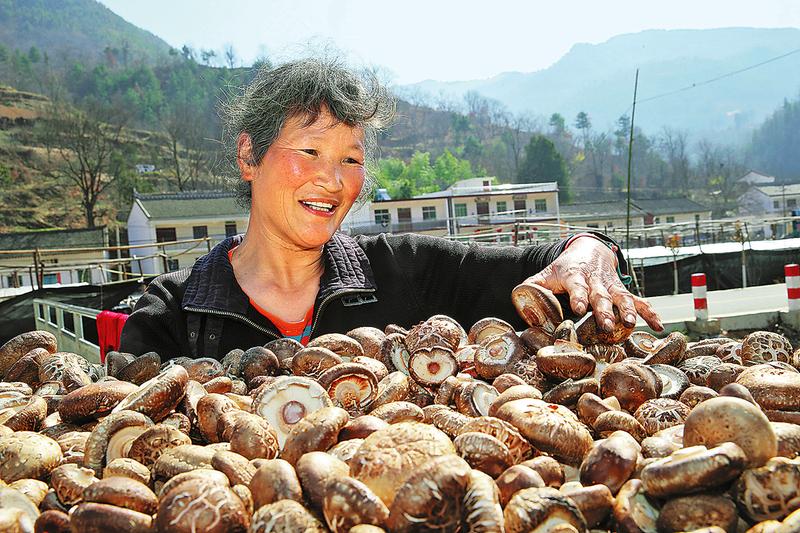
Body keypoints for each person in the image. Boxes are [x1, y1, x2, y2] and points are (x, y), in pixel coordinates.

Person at [119, 57, 662, 359]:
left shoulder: (406, 272)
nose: (332, 180)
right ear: (248, 156)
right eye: (309, 151)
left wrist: (589, 251)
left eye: (350, 159)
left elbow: (536, 269)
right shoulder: (174, 316)